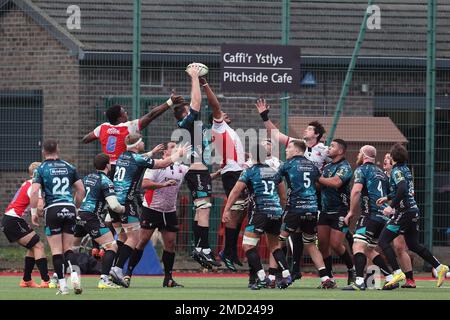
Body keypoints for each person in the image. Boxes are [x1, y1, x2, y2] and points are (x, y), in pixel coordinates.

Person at [82, 95, 181, 260]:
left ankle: (98, 245)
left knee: (105, 208)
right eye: (124, 111)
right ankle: (112, 249)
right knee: (125, 205)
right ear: (121, 116)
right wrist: (169, 102)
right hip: (123, 169)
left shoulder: (102, 128)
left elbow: (85, 139)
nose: (127, 113)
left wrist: (104, 145)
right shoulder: (128, 127)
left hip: (107, 171)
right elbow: (151, 116)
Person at [255, 98, 331, 280]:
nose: (305, 130)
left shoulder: (324, 149)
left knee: (286, 237)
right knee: (303, 237)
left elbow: (338, 159)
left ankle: (275, 275)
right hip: (303, 197)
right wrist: (265, 116)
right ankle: (303, 270)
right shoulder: (299, 145)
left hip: (313, 196)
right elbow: (276, 134)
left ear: (317, 135)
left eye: (309, 129)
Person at [109, 133, 188, 287]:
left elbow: (138, 159)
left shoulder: (122, 156)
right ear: (137, 145)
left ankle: (110, 271)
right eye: (142, 141)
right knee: (135, 239)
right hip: (128, 202)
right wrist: (178, 154)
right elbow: (159, 164)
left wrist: (151, 153)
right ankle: (119, 270)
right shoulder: (141, 159)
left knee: (121, 238)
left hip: (114, 201)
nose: (143, 142)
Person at [377, 143, 449, 288]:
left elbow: (402, 188)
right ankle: (440, 267)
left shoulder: (397, 170)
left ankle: (397, 272)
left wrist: (390, 206)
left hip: (404, 212)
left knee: (383, 241)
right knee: (413, 244)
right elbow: (403, 188)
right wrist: (388, 197)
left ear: (394, 157)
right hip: (413, 210)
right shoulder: (405, 169)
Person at [172, 64, 220, 269]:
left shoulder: (193, 127)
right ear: (184, 114)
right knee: (204, 209)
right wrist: (193, 77)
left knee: (202, 209)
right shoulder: (186, 123)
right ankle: (203, 248)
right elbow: (197, 102)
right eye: (188, 109)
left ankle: (200, 247)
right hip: (196, 172)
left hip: (201, 172)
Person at [223, 143, 286, 289]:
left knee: (249, 245)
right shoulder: (274, 171)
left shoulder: (248, 171)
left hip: (257, 212)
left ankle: (259, 278)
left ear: (251, 155)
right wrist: (282, 211)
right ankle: (284, 275)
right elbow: (283, 196)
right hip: (275, 212)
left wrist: (227, 210)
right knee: (275, 245)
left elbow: (235, 191)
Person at [273, 140, 334, 289]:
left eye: (289, 148)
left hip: (294, 208)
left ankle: (279, 275)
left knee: (277, 242)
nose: (286, 150)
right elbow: (318, 183)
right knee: (311, 244)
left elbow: (274, 180)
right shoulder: (313, 165)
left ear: (297, 150)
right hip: (312, 209)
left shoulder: (287, 165)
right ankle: (325, 277)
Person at [200, 77, 246, 271]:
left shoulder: (227, 131)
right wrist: (205, 85)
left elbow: (228, 157)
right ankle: (227, 251)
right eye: (222, 114)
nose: (224, 114)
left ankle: (230, 252)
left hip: (237, 172)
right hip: (233, 175)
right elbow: (214, 104)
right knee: (236, 212)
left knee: (241, 211)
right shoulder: (218, 126)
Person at [30, 139, 86, 295]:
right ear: (58, 149)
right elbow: (81, 189)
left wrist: (34, 213)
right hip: (69, 208)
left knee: (56, 250)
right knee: (68, 248)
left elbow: (34, 192)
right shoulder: (69, 167)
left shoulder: (41, 169)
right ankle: (74, 278)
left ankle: (63, 286)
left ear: (43, 152)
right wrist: (76, 207)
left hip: (53, 210)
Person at [342, 145, 395, 291]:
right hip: (382, 217)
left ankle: (359, 282)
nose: (358, 155)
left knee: (357, 245)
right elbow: (391, 195)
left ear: (364, 155)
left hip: (369, 215)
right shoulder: (382, 173)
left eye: (359, 152)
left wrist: (351, 212)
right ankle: (390, 278)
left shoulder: (361, 170)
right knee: (369, 249)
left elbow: (356, 191)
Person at [76, 153, 126, 289]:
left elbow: (78, 196)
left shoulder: (87, 178)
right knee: (112, 246)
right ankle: (104, 280)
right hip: (91, 216)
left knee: (70, 248)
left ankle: (57, 278)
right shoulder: (106, 181)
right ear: (108, 165)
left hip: (79, 215)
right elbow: (114, 205)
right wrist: (124, 209)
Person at [1, 162, 52, 288]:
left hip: (11, 219)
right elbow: (40, 208)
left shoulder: (27, 183)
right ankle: (46, 281)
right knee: (39, 246)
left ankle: (26, 280)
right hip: (13, 220)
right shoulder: (35, 187)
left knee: (32, 247)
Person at [317, 139, 355, 287]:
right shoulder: (326, 167)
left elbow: (336, 182)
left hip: (341, 210)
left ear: (340, 151)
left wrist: (317, 177)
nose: (329, 148)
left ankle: (352, 270)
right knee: (322, 245)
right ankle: (329, 278)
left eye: (332, 146)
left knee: (336, 244)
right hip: (325, 211)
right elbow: (320, 186)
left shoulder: (345, 167)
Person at [383, 152, 416, 288]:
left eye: (388, 158)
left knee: (399, 247)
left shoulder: (399, 173)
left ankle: (409, 279)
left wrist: (391, 206)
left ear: (394, 161)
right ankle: (383, 277)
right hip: (386, 214)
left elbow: (406, 192)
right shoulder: (383, 176)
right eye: (384, 158)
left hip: (400, 213)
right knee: (374, 245)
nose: (385, 160)